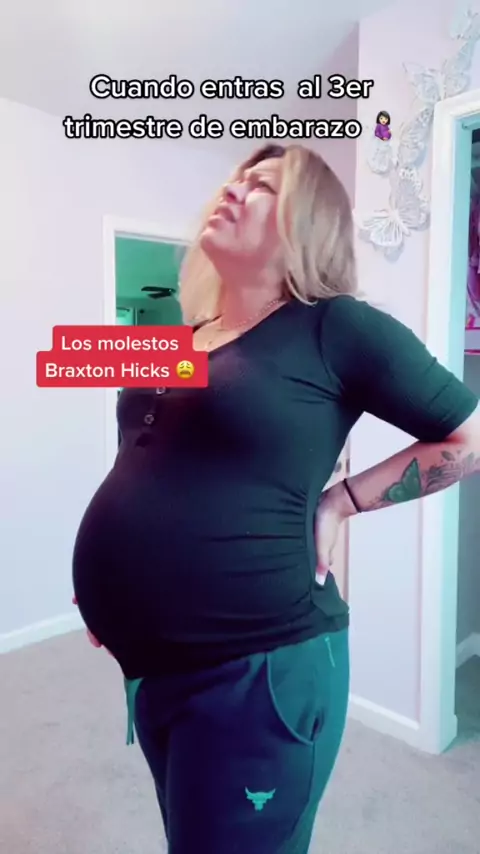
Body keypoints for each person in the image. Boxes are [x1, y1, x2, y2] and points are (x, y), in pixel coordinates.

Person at [72, 142, 480, 854]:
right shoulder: (177, 338)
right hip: (152, 666)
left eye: (262, 185)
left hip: (257, 665)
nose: (233, 188)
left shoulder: (336, 326)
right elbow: (141, 450)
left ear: (307, 225)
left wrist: (342, 501)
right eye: (236, 178)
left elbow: (468, 438)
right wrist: (115, 577)